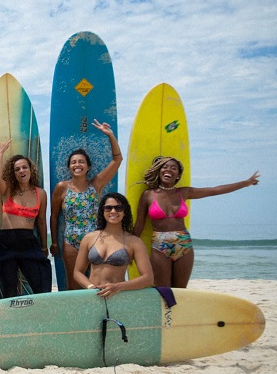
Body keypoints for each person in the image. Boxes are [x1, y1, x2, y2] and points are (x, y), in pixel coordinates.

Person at [133, 156, 260, 288]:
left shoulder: (184, 192)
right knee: (164, 291)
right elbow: (139, 226)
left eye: (173, 168)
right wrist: (129, 250)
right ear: (159, 171)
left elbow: (215, 190)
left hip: (184, 244)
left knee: (181, 291)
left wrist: (246, 183)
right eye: (164, 167)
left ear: (178, 175)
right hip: (160, 245)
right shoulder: (148, 195)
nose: (168, 170)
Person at [48, 121, 123, 289]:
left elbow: (117, 160)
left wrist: (110, 135)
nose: (77, 165)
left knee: (97, 285)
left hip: (96, 241)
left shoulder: (95, 185)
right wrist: (54, 242)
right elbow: (54, 216)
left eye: (81, 162)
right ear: (69, 166)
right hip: (71, 242)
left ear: (88, 167)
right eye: (73, 162)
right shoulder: (62, 187)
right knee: (73, 286)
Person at [0, 141, 52, 299]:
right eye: (17, 169)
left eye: (24, 167)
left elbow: (42, 221)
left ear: (31, 169)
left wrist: (44, 246)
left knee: (40, 284)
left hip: (28, 242)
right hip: (6, 242)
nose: (21, 171)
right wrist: (1, 152)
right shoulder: (8, 190)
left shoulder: (41, 194)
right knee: (8, 288)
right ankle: (7, 319)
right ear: (13, 173)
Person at [73, 193, 154, 299]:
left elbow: (148, 278)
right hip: (93, 296)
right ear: (102, 211)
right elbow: (77, 272)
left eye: (118, 208)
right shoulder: (89, 238)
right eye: (108, 208)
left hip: (118, 296)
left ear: (125, 212)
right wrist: (90, 287)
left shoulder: (134, 242)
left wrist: (118, 287)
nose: (113, 211)